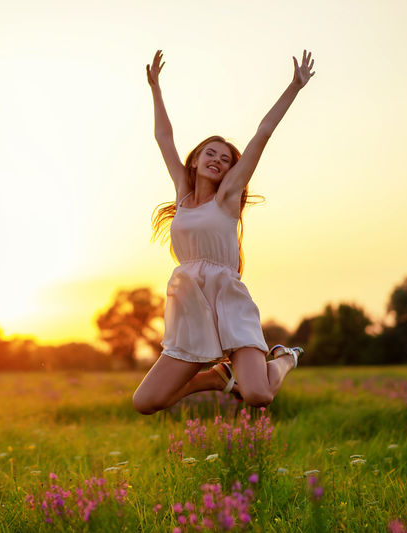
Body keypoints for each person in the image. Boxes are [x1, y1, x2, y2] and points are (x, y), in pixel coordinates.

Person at [132, 49, 316, 414]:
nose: (217, 160)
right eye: (210, 154)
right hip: (190, 308)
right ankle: (217, 378)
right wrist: (155, 89)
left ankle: (284, 359)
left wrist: (294, 87)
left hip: (228, 303)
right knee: (145, 401)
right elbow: (163, 137)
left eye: (225, 159)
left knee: (259, 396)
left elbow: (262, 134)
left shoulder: (228, 199)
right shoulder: (182, 196)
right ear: (196, 159)